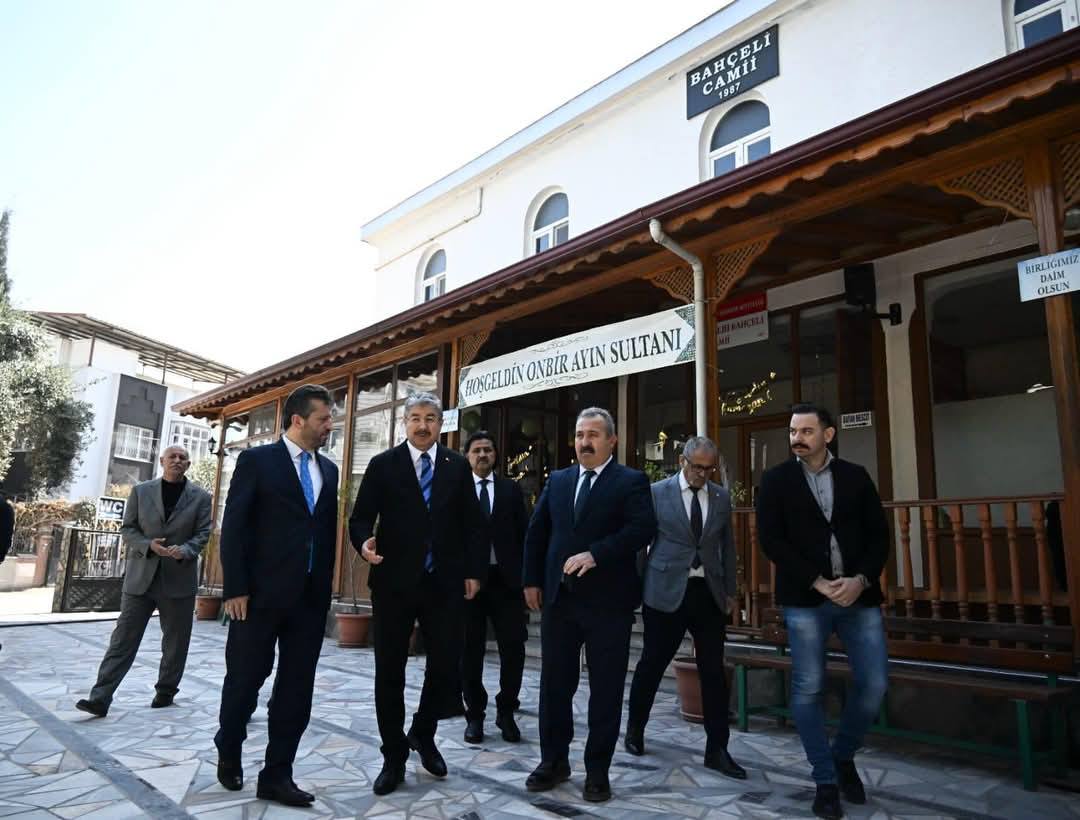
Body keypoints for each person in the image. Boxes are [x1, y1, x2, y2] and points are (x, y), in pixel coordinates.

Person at [349, 392, 488, 796]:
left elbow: (475, 526)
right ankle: (394, 756)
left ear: (440, 423)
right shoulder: (382, 465)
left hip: (444, 584)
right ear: (404, 423)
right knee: (389, 672)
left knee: (446, 666)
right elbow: (360, 519)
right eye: (415, 418)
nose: (423, 425)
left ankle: (422, 733)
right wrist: (364, 543)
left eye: (430, 418)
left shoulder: (457, 467)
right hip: (393, 584)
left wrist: (474, 573)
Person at [756, 404, 890, 820]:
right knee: (808, 687)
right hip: (806, 600)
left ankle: (843, 754)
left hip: (858, 598)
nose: (797, 437)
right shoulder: (776, 481)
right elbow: (771, 541)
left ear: (828, 435)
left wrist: (861, 580)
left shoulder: (856, 476)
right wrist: (816, 580)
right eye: (793, 430)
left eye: (807, 431)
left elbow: (879, 536)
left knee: (874, 684)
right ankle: (825, 780)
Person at [522, 406, 656, 803]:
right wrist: (531, 580)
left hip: (608, 604)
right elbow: (537, 531)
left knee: (606, 689)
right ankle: (553, 762)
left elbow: (642, 528)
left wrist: (596, 554)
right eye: (580, 435)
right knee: (554, 686)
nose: (585, 442)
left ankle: (597, 771)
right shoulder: (559, 480)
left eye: (594, 435)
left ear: (611, 440)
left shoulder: (630, 481)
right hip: (560, 603)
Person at [214, 384, 338, 808]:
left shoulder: (331, 471)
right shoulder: (256, 461)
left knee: (296, 689)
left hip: (309, 600)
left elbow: (321, 531)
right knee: (246, 680)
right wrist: (235, 589)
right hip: (258, 598)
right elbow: (234, 528)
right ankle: (228, 745)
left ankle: (277, 774)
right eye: (324, 418)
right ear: (298, 420)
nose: (330, 426)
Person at [625, 436, 745, 779]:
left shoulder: (720, 497)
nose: (703, 475)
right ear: (682, 461)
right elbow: (640, 544)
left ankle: (717, 749)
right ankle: (635, 729)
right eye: (697, 467)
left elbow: (728, 546)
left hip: (707, 593)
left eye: (709, 469)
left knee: (712, 671)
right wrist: (637, 589)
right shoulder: (656, 492)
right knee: (651, 663)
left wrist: (730, 592)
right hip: (664, 592)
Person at [75, 446, 211, 717]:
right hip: (141, 580)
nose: (177, 460)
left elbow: (204, 532)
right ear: (161, 461)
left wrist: (185, 550)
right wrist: (148, 545)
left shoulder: (201, 497)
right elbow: (128, 529)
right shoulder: (141, 491)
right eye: (172, 456)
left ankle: (166, 690)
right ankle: (100, 697)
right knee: (122, 639)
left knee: (175, 642)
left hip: (179, 579)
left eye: (182, 457)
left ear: (188, 464)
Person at [460, 430, 529, 745]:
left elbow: (524, 536)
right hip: (469, 585)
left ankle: (506, 711)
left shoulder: (511, 490)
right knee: (469, 651)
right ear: (468, 456)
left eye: (488, 449)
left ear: (495, 455)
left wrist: (528, 580)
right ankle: (474, 715)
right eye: (477, 450)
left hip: (507, 584)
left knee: (513, 649)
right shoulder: (457, 491)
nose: (483, 454)